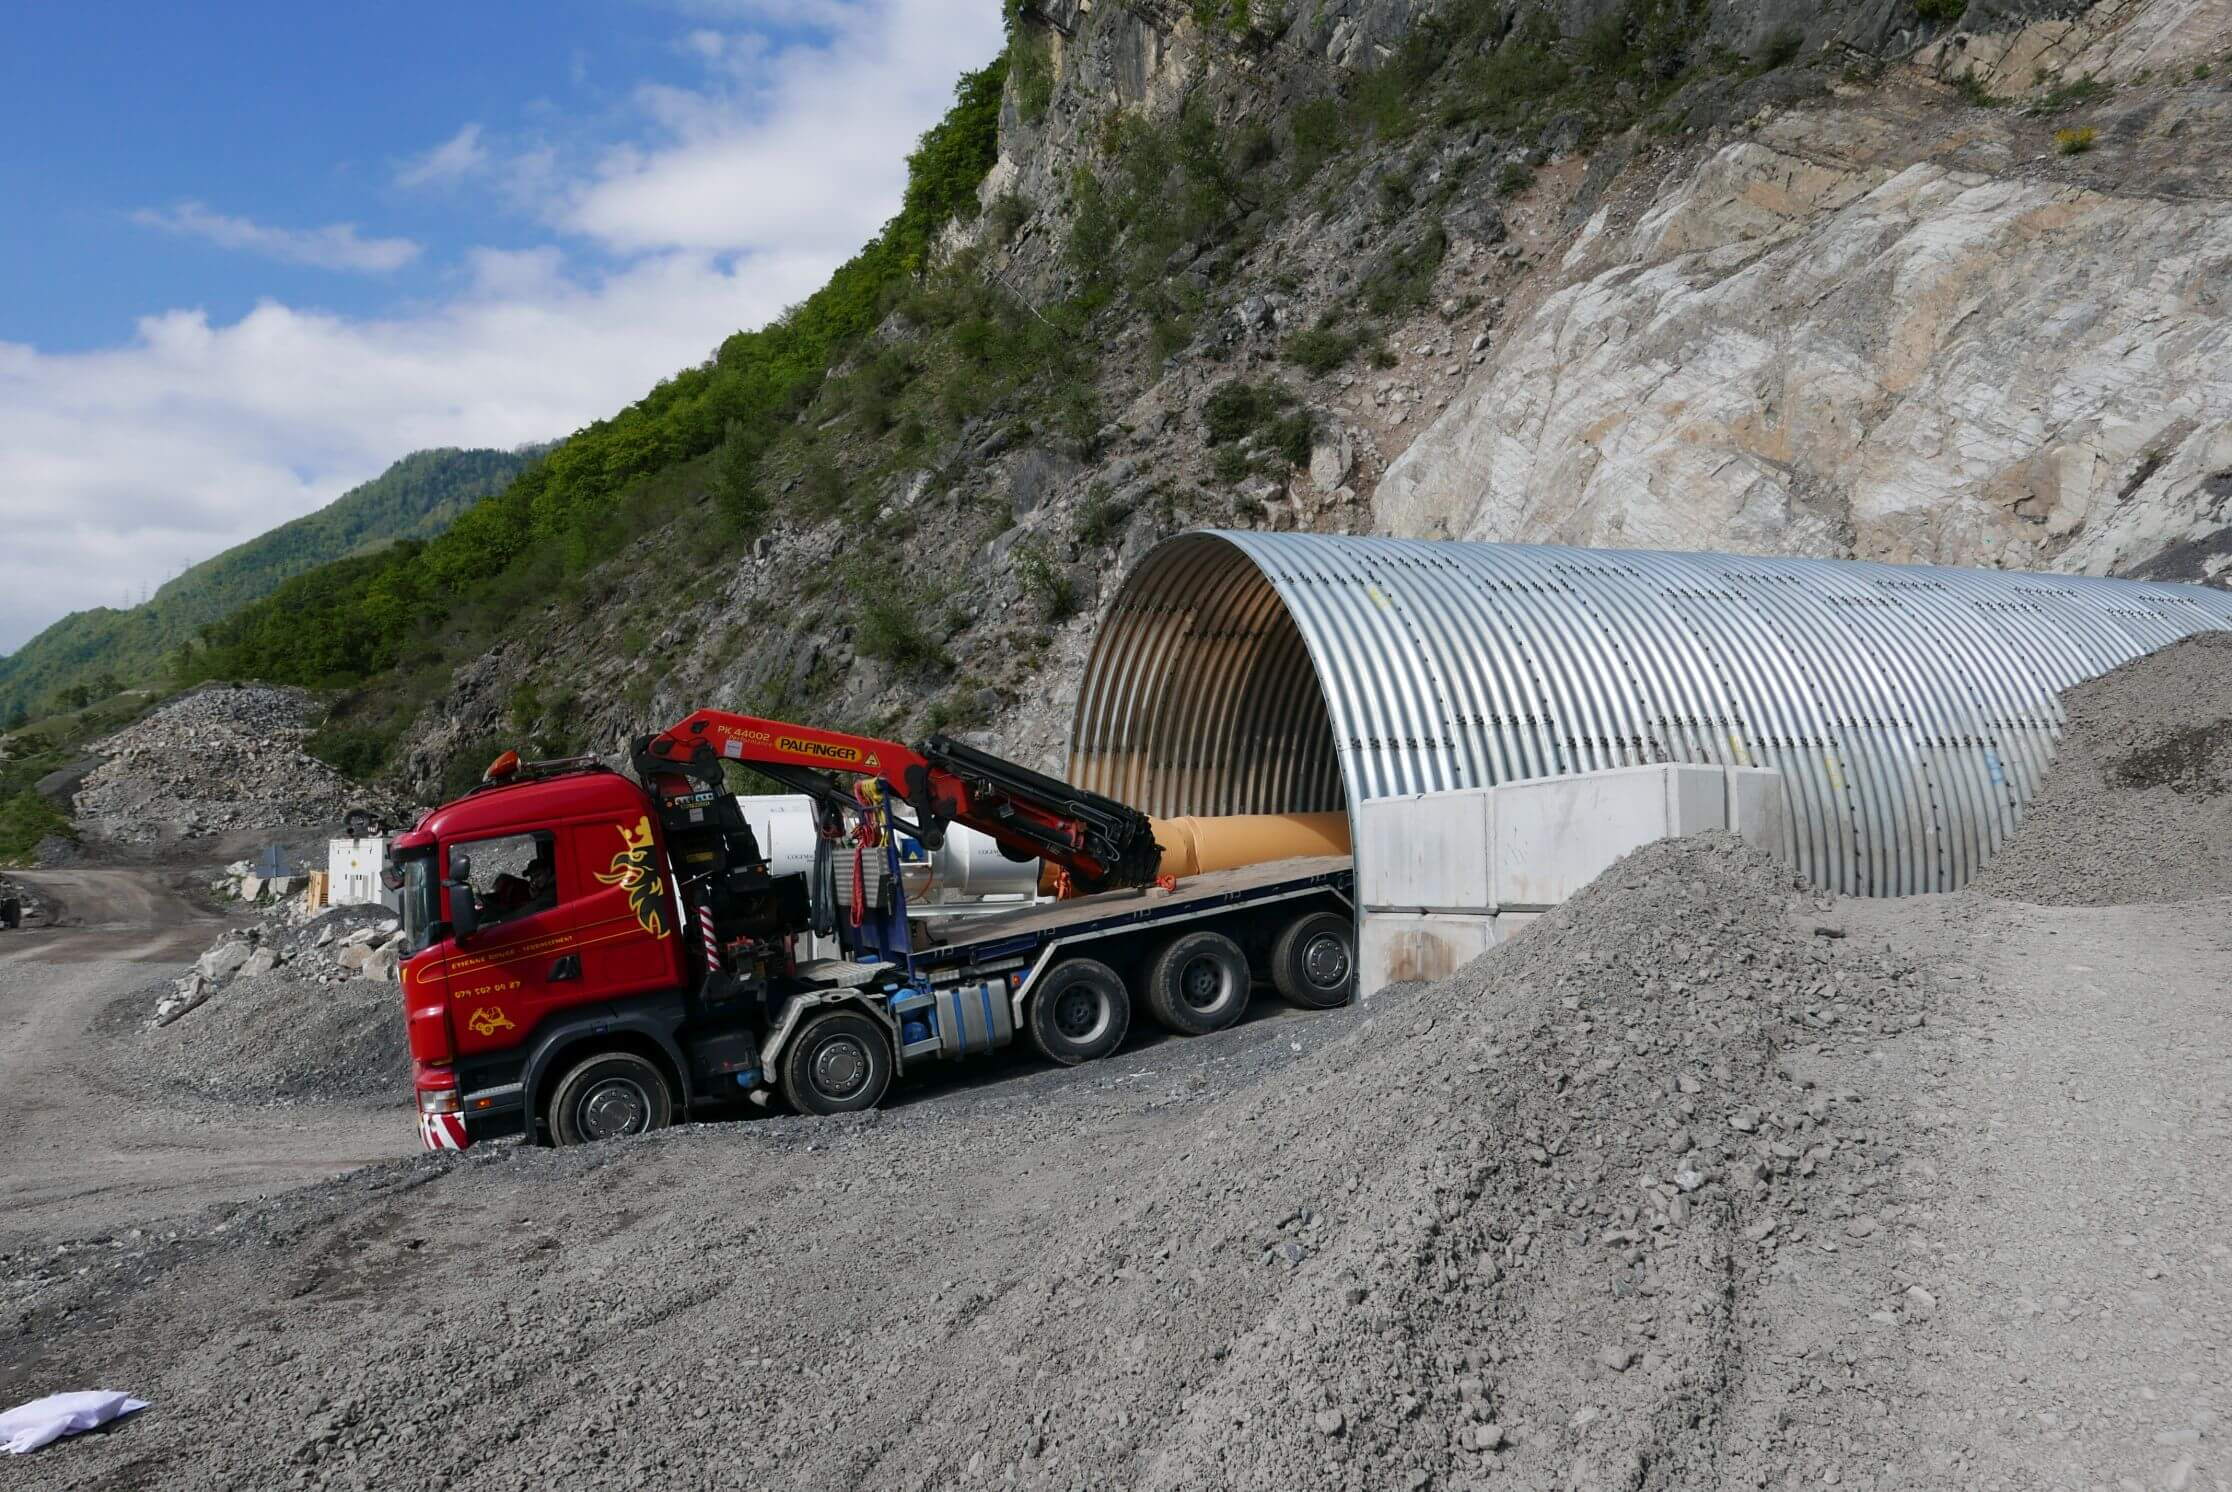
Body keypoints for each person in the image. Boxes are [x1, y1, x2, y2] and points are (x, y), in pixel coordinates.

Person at [482, 851, 556, 925]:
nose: (534, 881)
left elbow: (536, 908)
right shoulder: (544, 889)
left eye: (538, 875)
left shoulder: (553, 889)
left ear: (548, 871)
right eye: (532, 877)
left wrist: (502, 921)